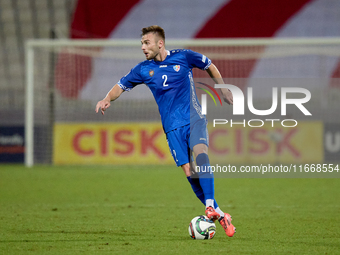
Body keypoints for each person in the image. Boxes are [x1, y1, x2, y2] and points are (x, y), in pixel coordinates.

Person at [95, 25, 236, 237]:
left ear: (160, 43)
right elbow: (120, 86)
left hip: (194, 117)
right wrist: (107, 99)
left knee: (201, 153)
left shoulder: (184, 57)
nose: (143, 47)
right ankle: (219, 212)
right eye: (142, 43)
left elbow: (210, 65)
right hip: (171, 128)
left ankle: (209, 205)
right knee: (189, 173)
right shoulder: (143, 69)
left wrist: (222, 88)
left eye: (146, 43)